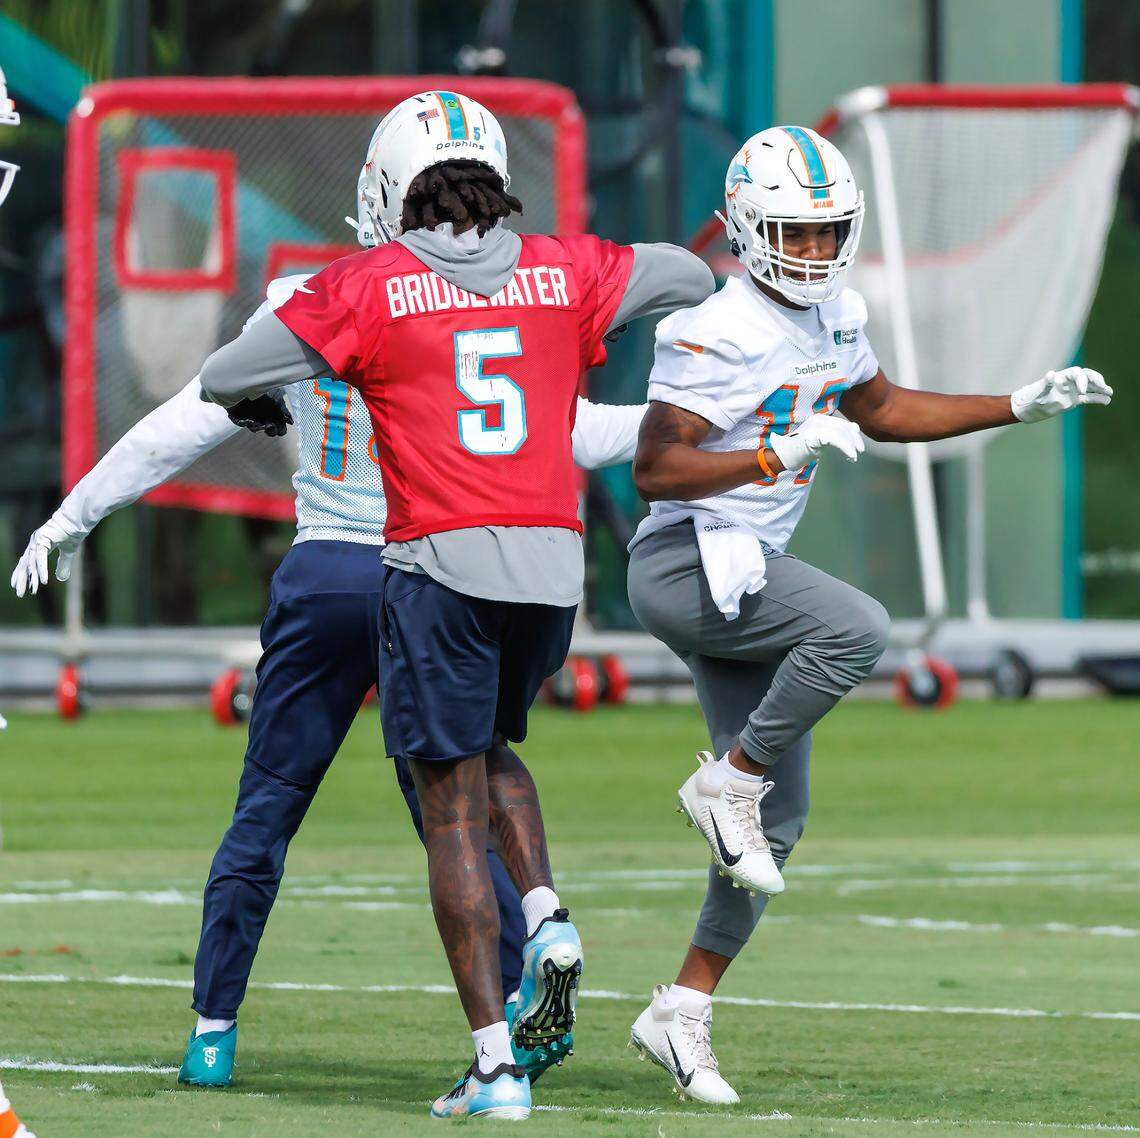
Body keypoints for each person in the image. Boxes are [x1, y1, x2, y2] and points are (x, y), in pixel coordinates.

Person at [196, 90, 715, 1120]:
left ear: (393, 190)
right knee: (490, 752)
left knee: (444, 809)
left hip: (437, 564)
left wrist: (267, 388)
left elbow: (228, 372)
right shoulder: (566, 268)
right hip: (552, 571)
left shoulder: (370, 281)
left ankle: (492, 1069)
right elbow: (690, 274)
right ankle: (548, 911)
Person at [10, 269, 651, 1088]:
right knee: (454, 809)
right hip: (425, 574)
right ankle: (521, 990)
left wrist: (75, 515)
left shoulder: (300, 301)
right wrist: (724, 419)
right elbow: (583, 433)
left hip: (325, 579)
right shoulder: (480, 303)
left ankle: (213, 1033)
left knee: (267, 805)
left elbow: (183, 423)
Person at [624, 124, 1112, 1104]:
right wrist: (772, 454)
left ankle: (680, 1009)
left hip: (748, 565)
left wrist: (1015, 403)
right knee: (856, 627)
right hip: (683, 563)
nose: (813, 252)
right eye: (794, 234)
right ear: (752, 230)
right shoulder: (713, 327)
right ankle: (727, 781)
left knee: (782, 821)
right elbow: (655, 467)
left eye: (826, 232)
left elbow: (882, 408)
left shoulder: (835, 314)